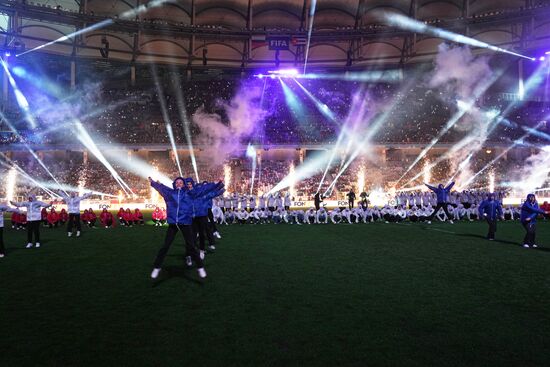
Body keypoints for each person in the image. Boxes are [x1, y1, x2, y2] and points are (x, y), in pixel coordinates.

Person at [149, 176, 224, 279]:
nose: (179, 183)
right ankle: (157, 267)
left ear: (183, 184)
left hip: (185, 223)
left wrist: (216, 183)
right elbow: (162, 188)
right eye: (177, 182)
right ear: (175, 184)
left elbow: (203, 189)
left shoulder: (189, 194)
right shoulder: (170, 194)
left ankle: (200, 267)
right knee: (165, 246)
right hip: (173, 224)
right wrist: (153, 183)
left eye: (181, 182)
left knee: (192, 246)